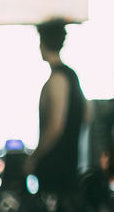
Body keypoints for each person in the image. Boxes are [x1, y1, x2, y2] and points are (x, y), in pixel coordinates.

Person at [27, 18, 86, 199]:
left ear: (43, 44)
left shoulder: (56, 80)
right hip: (70, 163)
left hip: (55, 168)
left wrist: (34, 158)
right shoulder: (72, 76)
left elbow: (55, 126)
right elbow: (87, 116)